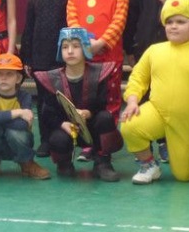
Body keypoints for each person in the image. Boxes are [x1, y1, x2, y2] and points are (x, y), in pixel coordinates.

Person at [120, 0, 189, 184]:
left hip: (188, 121)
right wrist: (133, 101)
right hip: (157, 111)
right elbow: (137, 78)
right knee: (130, 125)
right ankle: (148, 165)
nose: (173, 26)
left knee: (185, 176)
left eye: (180, 22)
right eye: (169, 22)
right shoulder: (154, 51)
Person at [122, 0, 184, 162]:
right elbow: (130, 22)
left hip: (172, 53)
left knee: (169, 96)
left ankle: (166, 140)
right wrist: (129, 49)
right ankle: (144, 144)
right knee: (143, 96)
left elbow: (185, 17)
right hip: (143, 52)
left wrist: (170, 1)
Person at [33, 28, 123, 181]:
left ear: (85, 48)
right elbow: (47, 113)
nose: (70, 51)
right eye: (65, 47)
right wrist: (63, 124)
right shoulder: (52, 78)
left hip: (92, 127)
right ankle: (64, 163)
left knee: (105, 118)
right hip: (67, 130)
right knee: (57, 139)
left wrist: (88, 113)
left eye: (76, 46)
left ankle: (102, 162)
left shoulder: (99, 73)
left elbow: (103, 105)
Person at [18, 0, 70, 158]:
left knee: (60, 102)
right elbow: (29, 29)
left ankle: (63, 138)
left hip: (61, 59)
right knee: (43, 103)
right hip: (39, 59)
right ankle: (46, 140)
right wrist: (27, 58)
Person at [66, 0, 128, 102]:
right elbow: (72, 20)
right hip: (81, 56)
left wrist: (100, 44)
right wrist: (85, 44)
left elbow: (118, 22)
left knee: (108, 99)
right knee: (83, 98)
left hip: (110, 57)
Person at [0, 53, 50, 180]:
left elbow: (23, 125)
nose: (4, 78)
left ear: (18, 78)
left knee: (13, 131)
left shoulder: (24, 97)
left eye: (9, 74)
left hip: (18, 143)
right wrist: (17, 113)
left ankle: (27, 163)